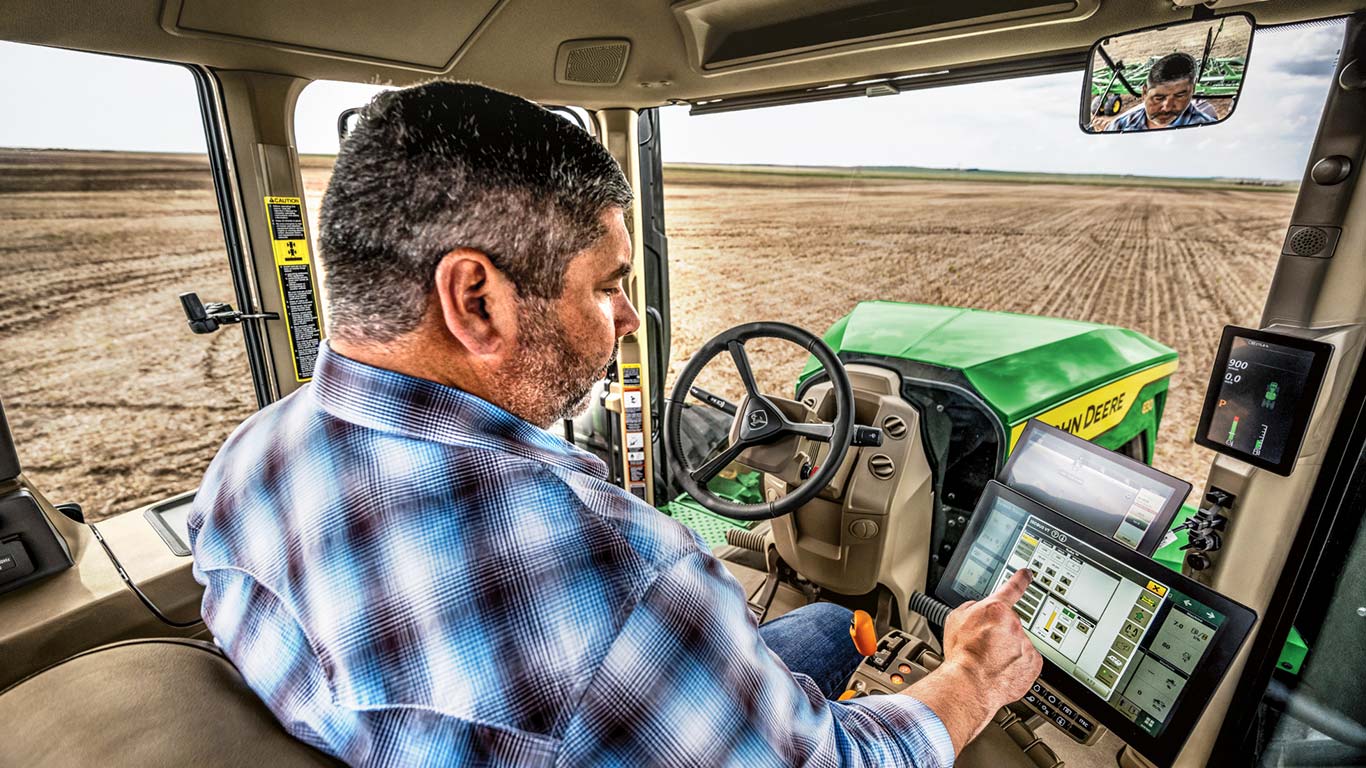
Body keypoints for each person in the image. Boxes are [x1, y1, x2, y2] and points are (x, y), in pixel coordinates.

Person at [189, 80, 1042, 767]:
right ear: (476, 301)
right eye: (606, 286)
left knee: (820, 627)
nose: (628, 318)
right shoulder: (624, 581)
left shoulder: (247, 462)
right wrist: (972, 676)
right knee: (845, 640)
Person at [1106, 52, 1219, 131]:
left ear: (1192, 91)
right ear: (1144, 93)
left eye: (1179, 96)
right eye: (1159, 98)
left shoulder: (1207, 130)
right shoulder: (1120, 126)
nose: (1167, 107)